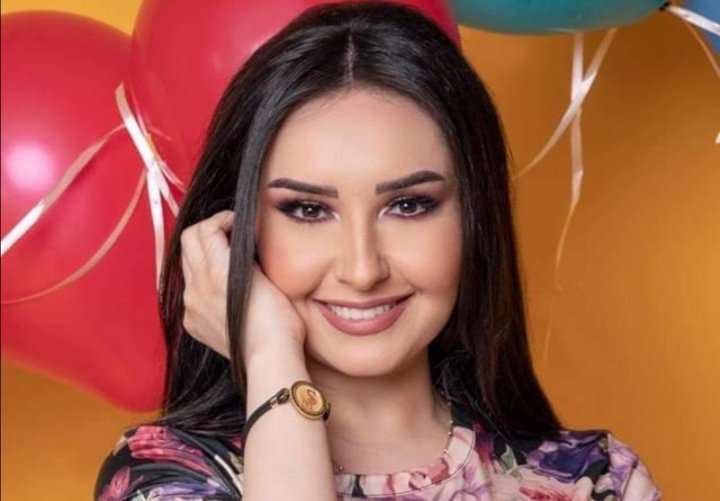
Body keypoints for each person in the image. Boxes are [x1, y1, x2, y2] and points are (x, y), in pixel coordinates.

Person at [94, 2, 662, 500]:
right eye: (308, 210)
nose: (362, 269)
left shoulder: (595, 480)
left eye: (409, 205)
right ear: (239, 230)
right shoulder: (168, 474)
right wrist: (268, 356)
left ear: (474, 215)